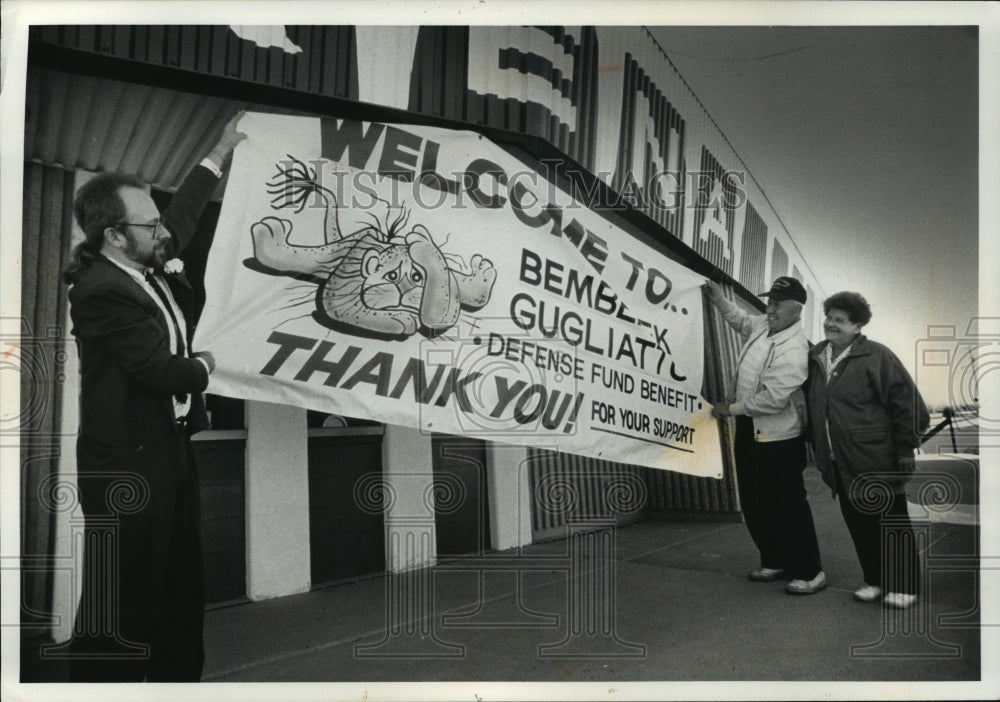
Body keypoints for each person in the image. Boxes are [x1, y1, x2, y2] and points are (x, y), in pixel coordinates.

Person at [62, 111, 246, 681]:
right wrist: (206, 365)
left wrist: (218, 154)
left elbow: (182, 217)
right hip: (126, 469)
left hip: (168, 454)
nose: (162, 231)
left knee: (178, 588)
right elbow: (159, 371)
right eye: (148, 224)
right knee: (123, 603)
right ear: (113, 236)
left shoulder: (146, 265)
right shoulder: (99, 291)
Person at [804, 292, 929, 609]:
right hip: (838, 460)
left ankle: (904, 585)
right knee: (858, 522)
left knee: (890, 522)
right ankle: (875, 579)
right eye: (829, 317)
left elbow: (909, 405)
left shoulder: (877, 356)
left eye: (840, 320)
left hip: (876, 456)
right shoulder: (818, 357)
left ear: (857, 325)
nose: (831, 324)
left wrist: (905, 448)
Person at [703, 276, 826, 595]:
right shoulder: (762, 324)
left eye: (777, 304)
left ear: (797, 310)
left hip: (778, 437)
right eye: (769, 302)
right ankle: (774, 560)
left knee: (788, 504)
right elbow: (740, 319)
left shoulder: (795, 348)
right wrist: (718, 299)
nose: (769, 309)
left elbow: (774, 398)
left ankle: (810, 571)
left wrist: (730, 410)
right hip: (749, 428)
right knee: (756, 500)